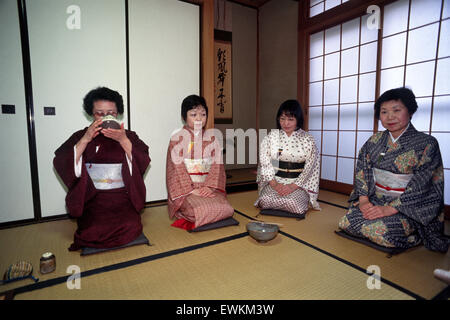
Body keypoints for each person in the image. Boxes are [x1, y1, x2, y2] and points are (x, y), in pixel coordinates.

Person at [338, 87, 449, 252]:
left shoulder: (427, 143)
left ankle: (414, 234)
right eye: (384, 112)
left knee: (378, 230)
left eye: (396, 110)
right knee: (346, 222)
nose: (390, 117)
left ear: (410, 111)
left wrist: (388, 209)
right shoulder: (374, 141)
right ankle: (396, 230)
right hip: (376, 199)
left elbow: (422, 185)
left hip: (407, 207)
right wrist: (364, 201)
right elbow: (363, 170)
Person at [54, 87, 150, 251]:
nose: (106, 116)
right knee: (92, 230)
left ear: (118, 113)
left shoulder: (129, 136)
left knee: (131, 226)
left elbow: (143, 159)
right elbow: (62, 160)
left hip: (122, 198)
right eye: (100, 113)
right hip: (93, 198)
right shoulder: (80, 135)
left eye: (111, 112)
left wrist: (124, 140)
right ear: (91, 113)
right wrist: (85, 139)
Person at [166, 94, 234, 230]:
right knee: (196, 211)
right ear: (184, 117)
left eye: (203, 114)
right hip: (188, 191)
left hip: (208, 188)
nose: (199, 119)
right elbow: (176, 170)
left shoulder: (212, 139)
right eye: (193, 114)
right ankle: (187, 209)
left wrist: (208, 187)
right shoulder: (177, 139)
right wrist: (191, 191)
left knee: (227, 209)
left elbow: (217, 167)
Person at [254, 99, 321, 216]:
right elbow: (265, 162)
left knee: (293, 204)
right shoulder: (271, 137)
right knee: (264, 201)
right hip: (276, 181)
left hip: (298, 184)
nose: (286, 123)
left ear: (298, 120)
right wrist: (275, 184)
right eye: (282, 119)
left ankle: (295, 200)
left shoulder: (308, 139)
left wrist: (292, 186)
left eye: (291, 119)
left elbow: (310, 167)